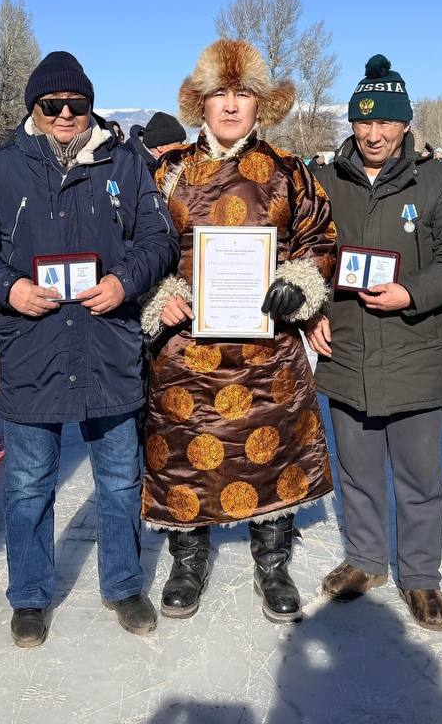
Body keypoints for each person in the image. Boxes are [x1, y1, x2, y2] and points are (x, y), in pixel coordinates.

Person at [0, 50, 179, 647]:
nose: (64, 114)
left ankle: (124, 584)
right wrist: (9, 288)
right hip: (34, 346)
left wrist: (125, 281)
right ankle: (30, 595)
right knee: (28, 482)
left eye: (75, 105)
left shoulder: (125, 162)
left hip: (108, 343)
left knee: (120, 479)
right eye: (52, 105)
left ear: (89, 106)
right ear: (34, 106)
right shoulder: (0, 169)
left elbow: (160, 239)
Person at [141, 39, 337, 624]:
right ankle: (186, 561)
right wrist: (158, 297)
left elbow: (320, 238)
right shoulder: (165, 171)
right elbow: (133, 247)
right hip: (185, 353)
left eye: (243, 94)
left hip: (266, 352)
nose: (230, 106)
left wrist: (300, 283)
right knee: (185, 455)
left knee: (269, 453)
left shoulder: (288, 173)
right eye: (219, 94)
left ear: (262, 105)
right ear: (200, 102)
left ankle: (273, 563)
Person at [308, 57, 442, 630]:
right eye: (364, 123)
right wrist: (310, 314)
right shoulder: (326, 182)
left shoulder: (437, 181)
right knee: (356, 470)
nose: (374, 134)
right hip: (347, 351)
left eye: (386, 123)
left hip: (416, 352)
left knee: (417, 477)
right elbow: (303, 258)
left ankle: (420, 576)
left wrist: (411, 292)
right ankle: (364, 561)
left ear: (405, 124)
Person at [127, 110, 188, 174]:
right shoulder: (130, 166)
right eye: (179, 144)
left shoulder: (159, 164)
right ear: (160, 147)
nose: (181, 148)